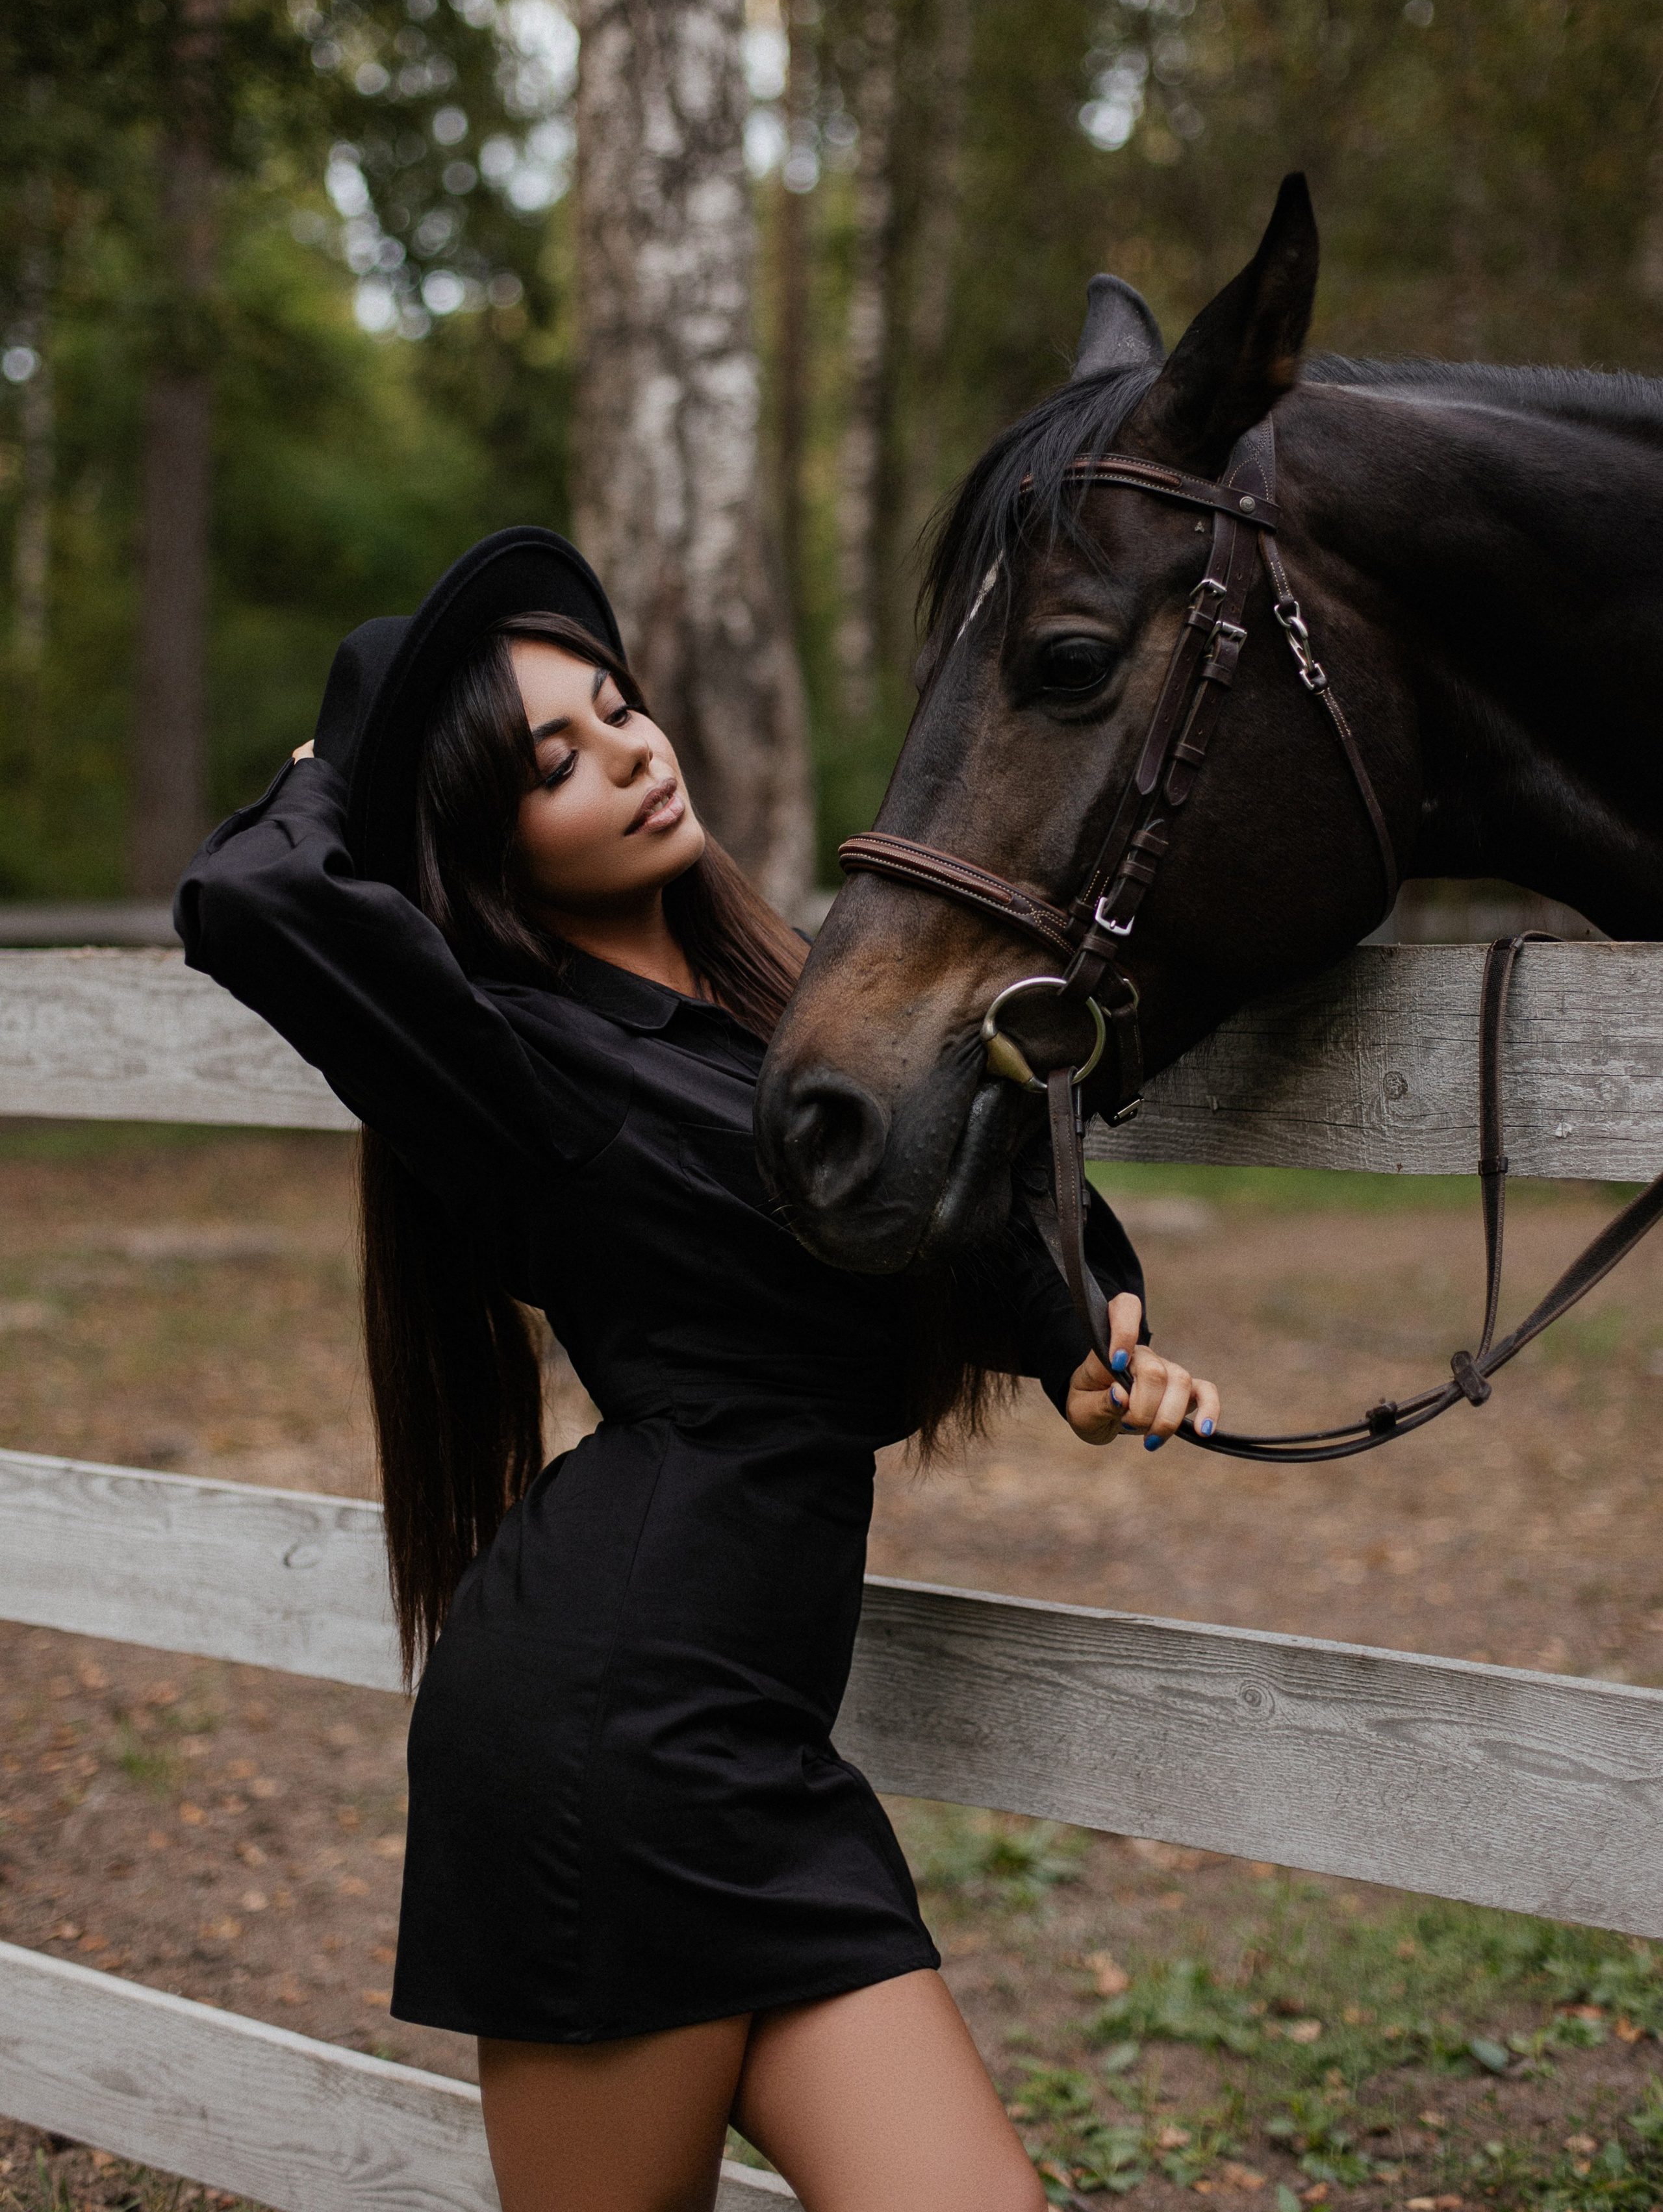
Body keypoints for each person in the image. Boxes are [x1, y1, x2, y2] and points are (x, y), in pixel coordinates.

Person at [174, 527, 1219, 2212]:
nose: (631, 755)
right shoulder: (511, 1058)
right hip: (611, 1738)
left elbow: (983, 1178)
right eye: (553, 763)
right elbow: (246, 899)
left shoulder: (790, 1004)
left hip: (754, 1745)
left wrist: (1090, 1340)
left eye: (618, 708)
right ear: (474, 833)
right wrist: (344, 771)